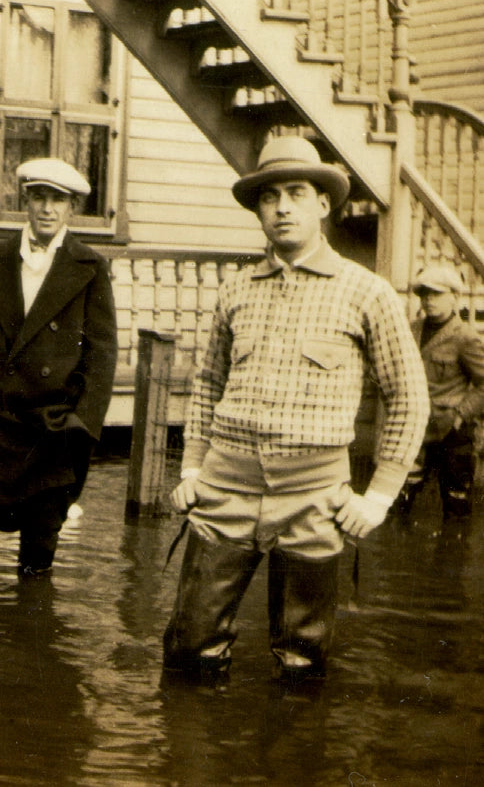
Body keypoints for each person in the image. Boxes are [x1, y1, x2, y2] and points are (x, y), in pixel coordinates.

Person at [163, 135, 429, 683]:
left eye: (297, 193)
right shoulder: (235, 291)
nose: (282, 207)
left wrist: (379, 495)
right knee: (190, 648)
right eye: (269, 197)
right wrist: (191, 467)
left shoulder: (367, 292)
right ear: (258, 209)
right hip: (224, 488)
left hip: (315, 497)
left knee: (302, 663)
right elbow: (207, 382)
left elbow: (408, 394)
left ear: (323, 204)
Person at [0, 158, 117, 577]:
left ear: (72, 208)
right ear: (25, 202)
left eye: (58, 200)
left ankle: (33, 635)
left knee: (38, 555)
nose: (48, 209)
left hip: (51, 428)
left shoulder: (90, 267)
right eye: (39, 197)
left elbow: (102, 354)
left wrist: (82, 424)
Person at [397, 262, 484, 521]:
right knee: (399, 501)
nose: (429, 300)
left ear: (455, 297)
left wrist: (459, 415)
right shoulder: (410, 330)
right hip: (413, 430)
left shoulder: (465, 337)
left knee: (456, 507)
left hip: (451, 433)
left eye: (437, 294)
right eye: (424, 294)